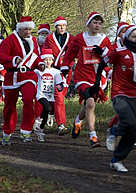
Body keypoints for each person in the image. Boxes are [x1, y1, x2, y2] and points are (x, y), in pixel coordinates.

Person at [98, 25, 136, 172]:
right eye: (133, 36)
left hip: (134, 95)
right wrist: (96, 83)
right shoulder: (119, 52)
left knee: (133, 129)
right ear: (126, 37)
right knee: (128, 121)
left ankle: (116, 160)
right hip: (119, 93)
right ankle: (113, 132)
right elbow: (103, 62)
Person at [61, 12, 112, 148]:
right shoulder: (79, 38)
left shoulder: (104, 39)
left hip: (97, 77)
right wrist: (65, 67)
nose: (97, 25)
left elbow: (111, 56)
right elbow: (70, 54)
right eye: (95, 23)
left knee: (88, 105)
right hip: (82, 76)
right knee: (90, 104)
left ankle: (78, 121)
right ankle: (93, 136)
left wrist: (104, 53)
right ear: (88, 23)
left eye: (100, 23)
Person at [0, 16, 44, 146]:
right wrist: (13, 59)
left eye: (30, 29)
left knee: (29, 99)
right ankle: (7, 132)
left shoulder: (33, 41)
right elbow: (0, 56)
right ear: (20, 29)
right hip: (12, 76)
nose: (28, 32)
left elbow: (36, 56)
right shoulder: (9, 40)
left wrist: (40, 63)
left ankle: (26, 130)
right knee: (9, 106)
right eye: (25, 30)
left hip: (28, 75)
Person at [42, 16, 74, 135]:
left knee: (62, 95)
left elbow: (76, 51)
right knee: (58, 97)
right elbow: (45, 52)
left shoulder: (71, 38)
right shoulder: (50, 38)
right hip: (54, 70)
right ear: (55, 26)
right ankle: (61, 124)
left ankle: (51, 113)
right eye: (60, 26)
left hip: (67, 71)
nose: (62, 27)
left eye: (64, 25)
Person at [34, 48, 64, 142]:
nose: (48, 61)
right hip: (40, 94)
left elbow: (60, 83)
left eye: (49, 59)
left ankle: (40, 131)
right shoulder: (39, 71)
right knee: (48, 108)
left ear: (52, 61)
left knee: (46, 115)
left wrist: (60, 87)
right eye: (45, 60)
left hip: (50, 95)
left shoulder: (56, 72)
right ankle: (38, 120)